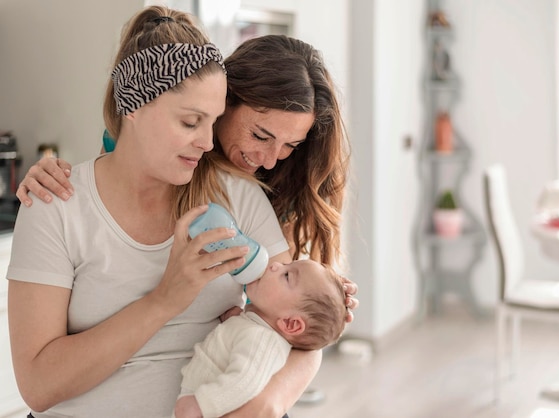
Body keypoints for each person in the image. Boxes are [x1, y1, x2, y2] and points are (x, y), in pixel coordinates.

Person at [7, 6, 323, 418]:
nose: (208, 143)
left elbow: (295, 329)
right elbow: (38, 387)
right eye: (191, 122)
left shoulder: (239, 196)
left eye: (212, 123)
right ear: (133, 105)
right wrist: (165, 300)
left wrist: (266, 404)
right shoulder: (57, 205)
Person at [17, 32, 359, 317]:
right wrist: (50, 173)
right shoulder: (143, 151)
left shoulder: (276, 180)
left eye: (290, 145)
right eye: (260, 136)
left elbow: (290, 315)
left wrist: (321, 302)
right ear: (224, 101)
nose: (270, 160)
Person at [174, 259, 347, 418]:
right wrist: (235, 320)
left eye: (286, 275)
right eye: (286, 263)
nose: (275, 264)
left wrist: (201, 405)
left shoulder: (261, 341)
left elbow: (244, 382)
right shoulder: (256, 328)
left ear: (290, 323)